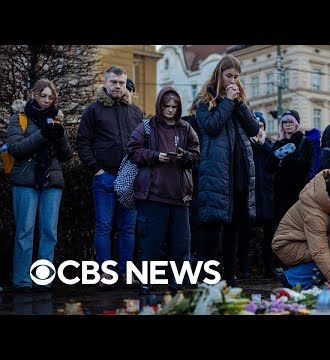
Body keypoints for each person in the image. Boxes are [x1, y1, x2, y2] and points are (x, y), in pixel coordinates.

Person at [127, 85, 200, 294]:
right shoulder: (147, 127)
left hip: (179, 197)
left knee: (180, 244)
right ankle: (146, 282)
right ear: (160, 106)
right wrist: (154, 156)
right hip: (152, 195)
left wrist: (183, 155)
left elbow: (196, 154)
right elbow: (132, 150)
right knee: (150, 242)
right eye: (166, 106)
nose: (170, 110)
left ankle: (176, 282)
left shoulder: (186, 128)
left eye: (174, 106)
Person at [195, 54, 259, 287]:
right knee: (213, 227)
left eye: (236, 77)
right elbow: (210, 128)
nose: (233, 80)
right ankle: (210, 276)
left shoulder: (239, 100)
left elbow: (253, 129)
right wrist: (227, 102)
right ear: (219, 75)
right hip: (218, 173)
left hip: (240, 172)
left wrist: (240, 103)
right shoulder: (205, 101)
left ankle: (231, 276)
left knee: (235, 226)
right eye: (229, 75)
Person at [76, 66, 143, 286]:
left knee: (128, 228)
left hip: (129, 178)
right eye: (114, 82)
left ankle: (126, 272)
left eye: (121, 83)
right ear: (105, 83)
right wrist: (97, 169)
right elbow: (82, 142)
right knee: (103, 226)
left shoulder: (135, 111)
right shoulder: (93, 110)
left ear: (126, 85)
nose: (117, 86)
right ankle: (105, 274)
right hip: (104, 177)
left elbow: (142, 143)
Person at [7, 78, 72, 292]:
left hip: (51, 182)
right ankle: (22, 281)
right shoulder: (19, 118)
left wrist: (60, 137)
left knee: (49, 232)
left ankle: (43, 279)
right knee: (24, 231)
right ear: (34, 94)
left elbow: (66, 156)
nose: (46, 100)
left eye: (50, 97)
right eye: (42, 95)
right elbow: (16, 149)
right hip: (25, 181)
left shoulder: (57, 120)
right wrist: (42, 134)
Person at [272, 158, 330, 289]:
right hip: (288, 245)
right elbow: (321, 252)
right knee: (324, 257)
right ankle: (292, 278)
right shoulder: (314, 214)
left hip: (304, 241)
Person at [238, 112, 276, 278]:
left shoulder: (269, 145)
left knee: (269, 237)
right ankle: (244, 268)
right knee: (244, 235)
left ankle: (269, 267)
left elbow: (276, 163)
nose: (258, 130)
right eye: (255, 126)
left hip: (266, 197)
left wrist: (264, 145)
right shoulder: (244, 146)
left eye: (261, 126)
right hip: (249, 197)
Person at [266, 109, 314, 226]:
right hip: (278, 193)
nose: (287, 125)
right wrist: (276, 157)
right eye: (284, 122)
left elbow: (307, 164)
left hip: (296, 192)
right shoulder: (278, 143)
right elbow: (268, 167)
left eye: (290, 122)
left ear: (296, 123)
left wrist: (285, 160)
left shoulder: (305, 142)